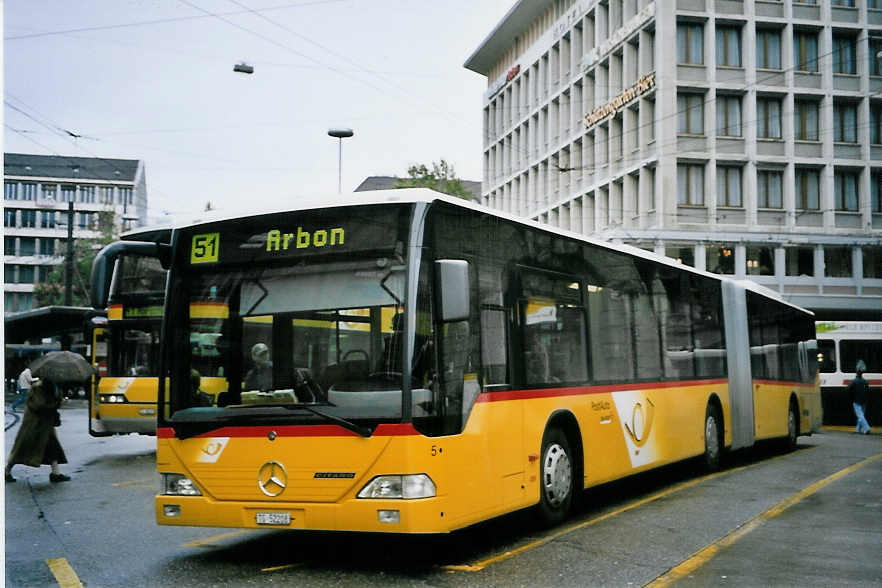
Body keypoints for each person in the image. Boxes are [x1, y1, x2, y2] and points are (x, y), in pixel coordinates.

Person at [5, 379, 71, 483]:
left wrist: (58, 400)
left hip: (45, 424)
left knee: (53, 447)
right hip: (34, 424)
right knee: (22, 448)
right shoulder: (38, 387)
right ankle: (6, 471)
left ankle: (56, 473)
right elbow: (38, 405)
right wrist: (56, 402)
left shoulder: (52, 385)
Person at [847, 361, 871, 435]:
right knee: (861, 415)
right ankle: (858, 429)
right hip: (864, 401)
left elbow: (848, 389)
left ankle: (867, 428)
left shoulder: (853, 381)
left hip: (856, 401)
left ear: (856, 373)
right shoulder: (865, 382)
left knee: (860, 416)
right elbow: (868, 391)